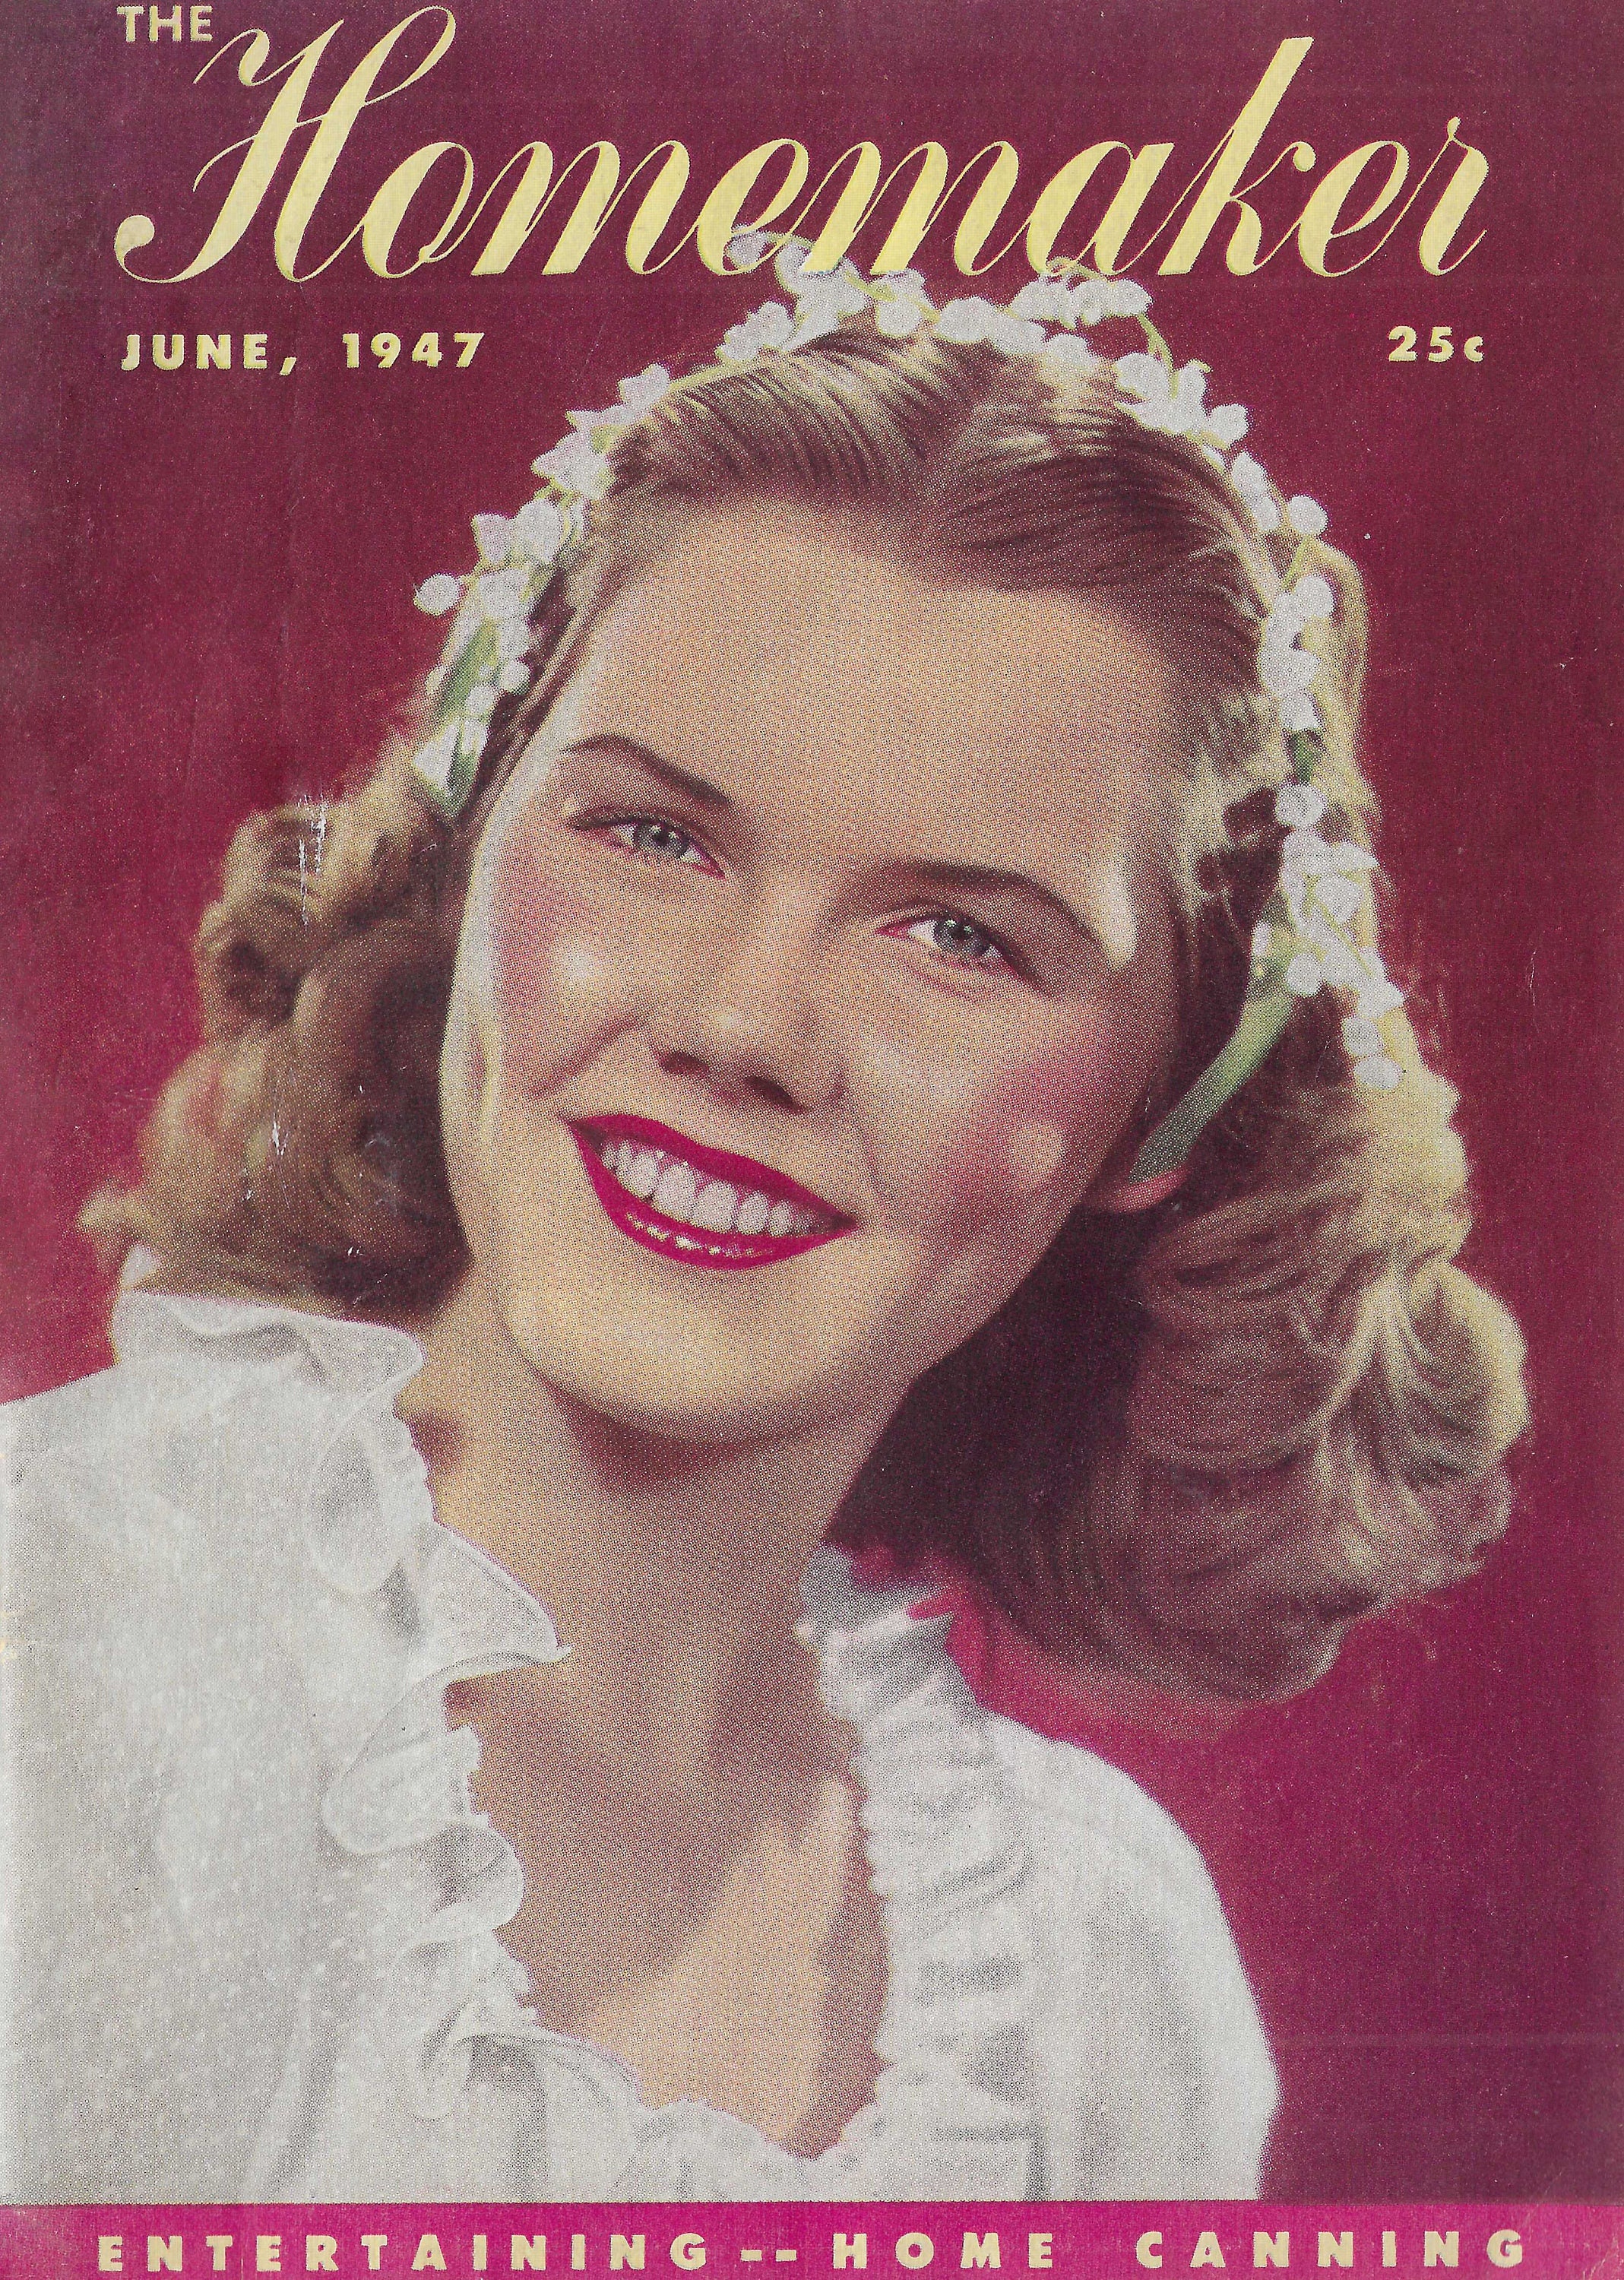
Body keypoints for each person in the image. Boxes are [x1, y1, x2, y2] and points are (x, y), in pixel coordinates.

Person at [2, 245, 1527, 2202]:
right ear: (473, 845)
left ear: (1165, 1111)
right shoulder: (66, 1672)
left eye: (958, 938)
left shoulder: (1098, 1978)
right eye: (652, 834)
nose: (739, 1028)